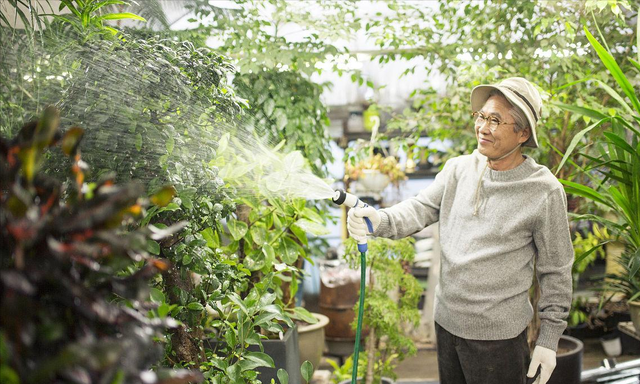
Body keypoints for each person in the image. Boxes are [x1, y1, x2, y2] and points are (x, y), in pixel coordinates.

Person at [347, 77, 573, 384]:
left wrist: (549, 339)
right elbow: (420, 207)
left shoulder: (543, 191)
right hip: (448, 325)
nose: (483, 127)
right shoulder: (458, 169)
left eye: (496, 120)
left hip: (499, 339)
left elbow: (556, 270)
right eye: (481, 116)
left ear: (522, 133)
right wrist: (380, 219)